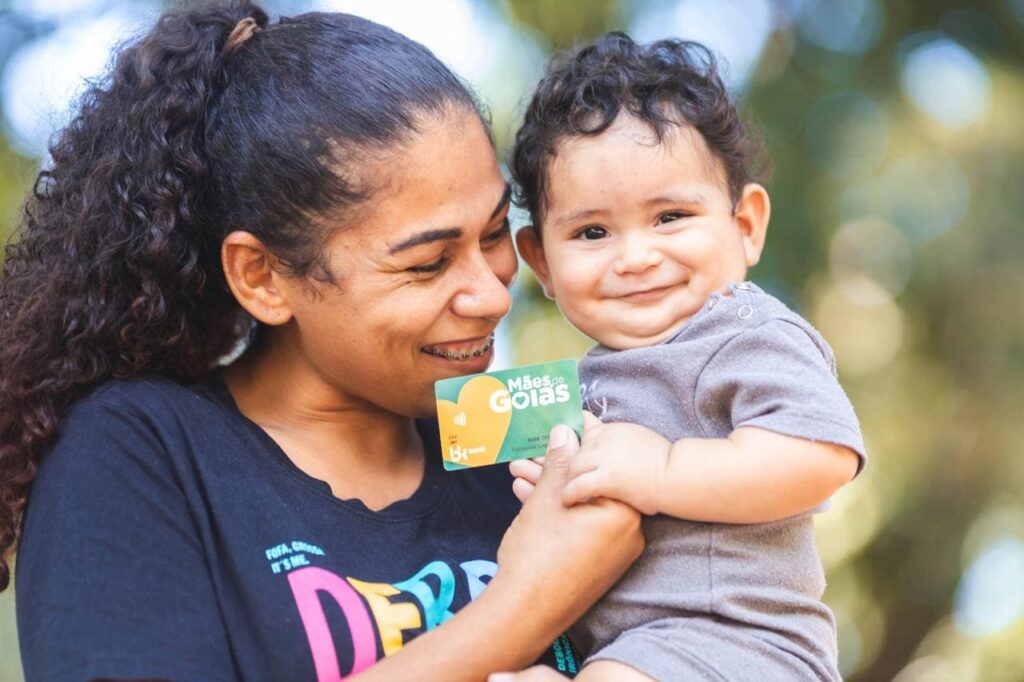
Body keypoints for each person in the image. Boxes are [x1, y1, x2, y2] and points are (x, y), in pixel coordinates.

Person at [0, 4, 644, 680]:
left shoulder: (532, 432)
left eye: (491, 234)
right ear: (263, 278)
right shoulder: (139, 453)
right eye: (427, 263)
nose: (491, 294)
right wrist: (526, 606)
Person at [504, 34, 866, 681]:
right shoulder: (584, 384)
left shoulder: (746, 332)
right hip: (634, 652)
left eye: (670, 217)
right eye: (592, 232)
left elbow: (821, 457)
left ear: (746, 225)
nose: (636, 256)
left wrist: (663, 469)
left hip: (744, 644)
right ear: (541, 262)